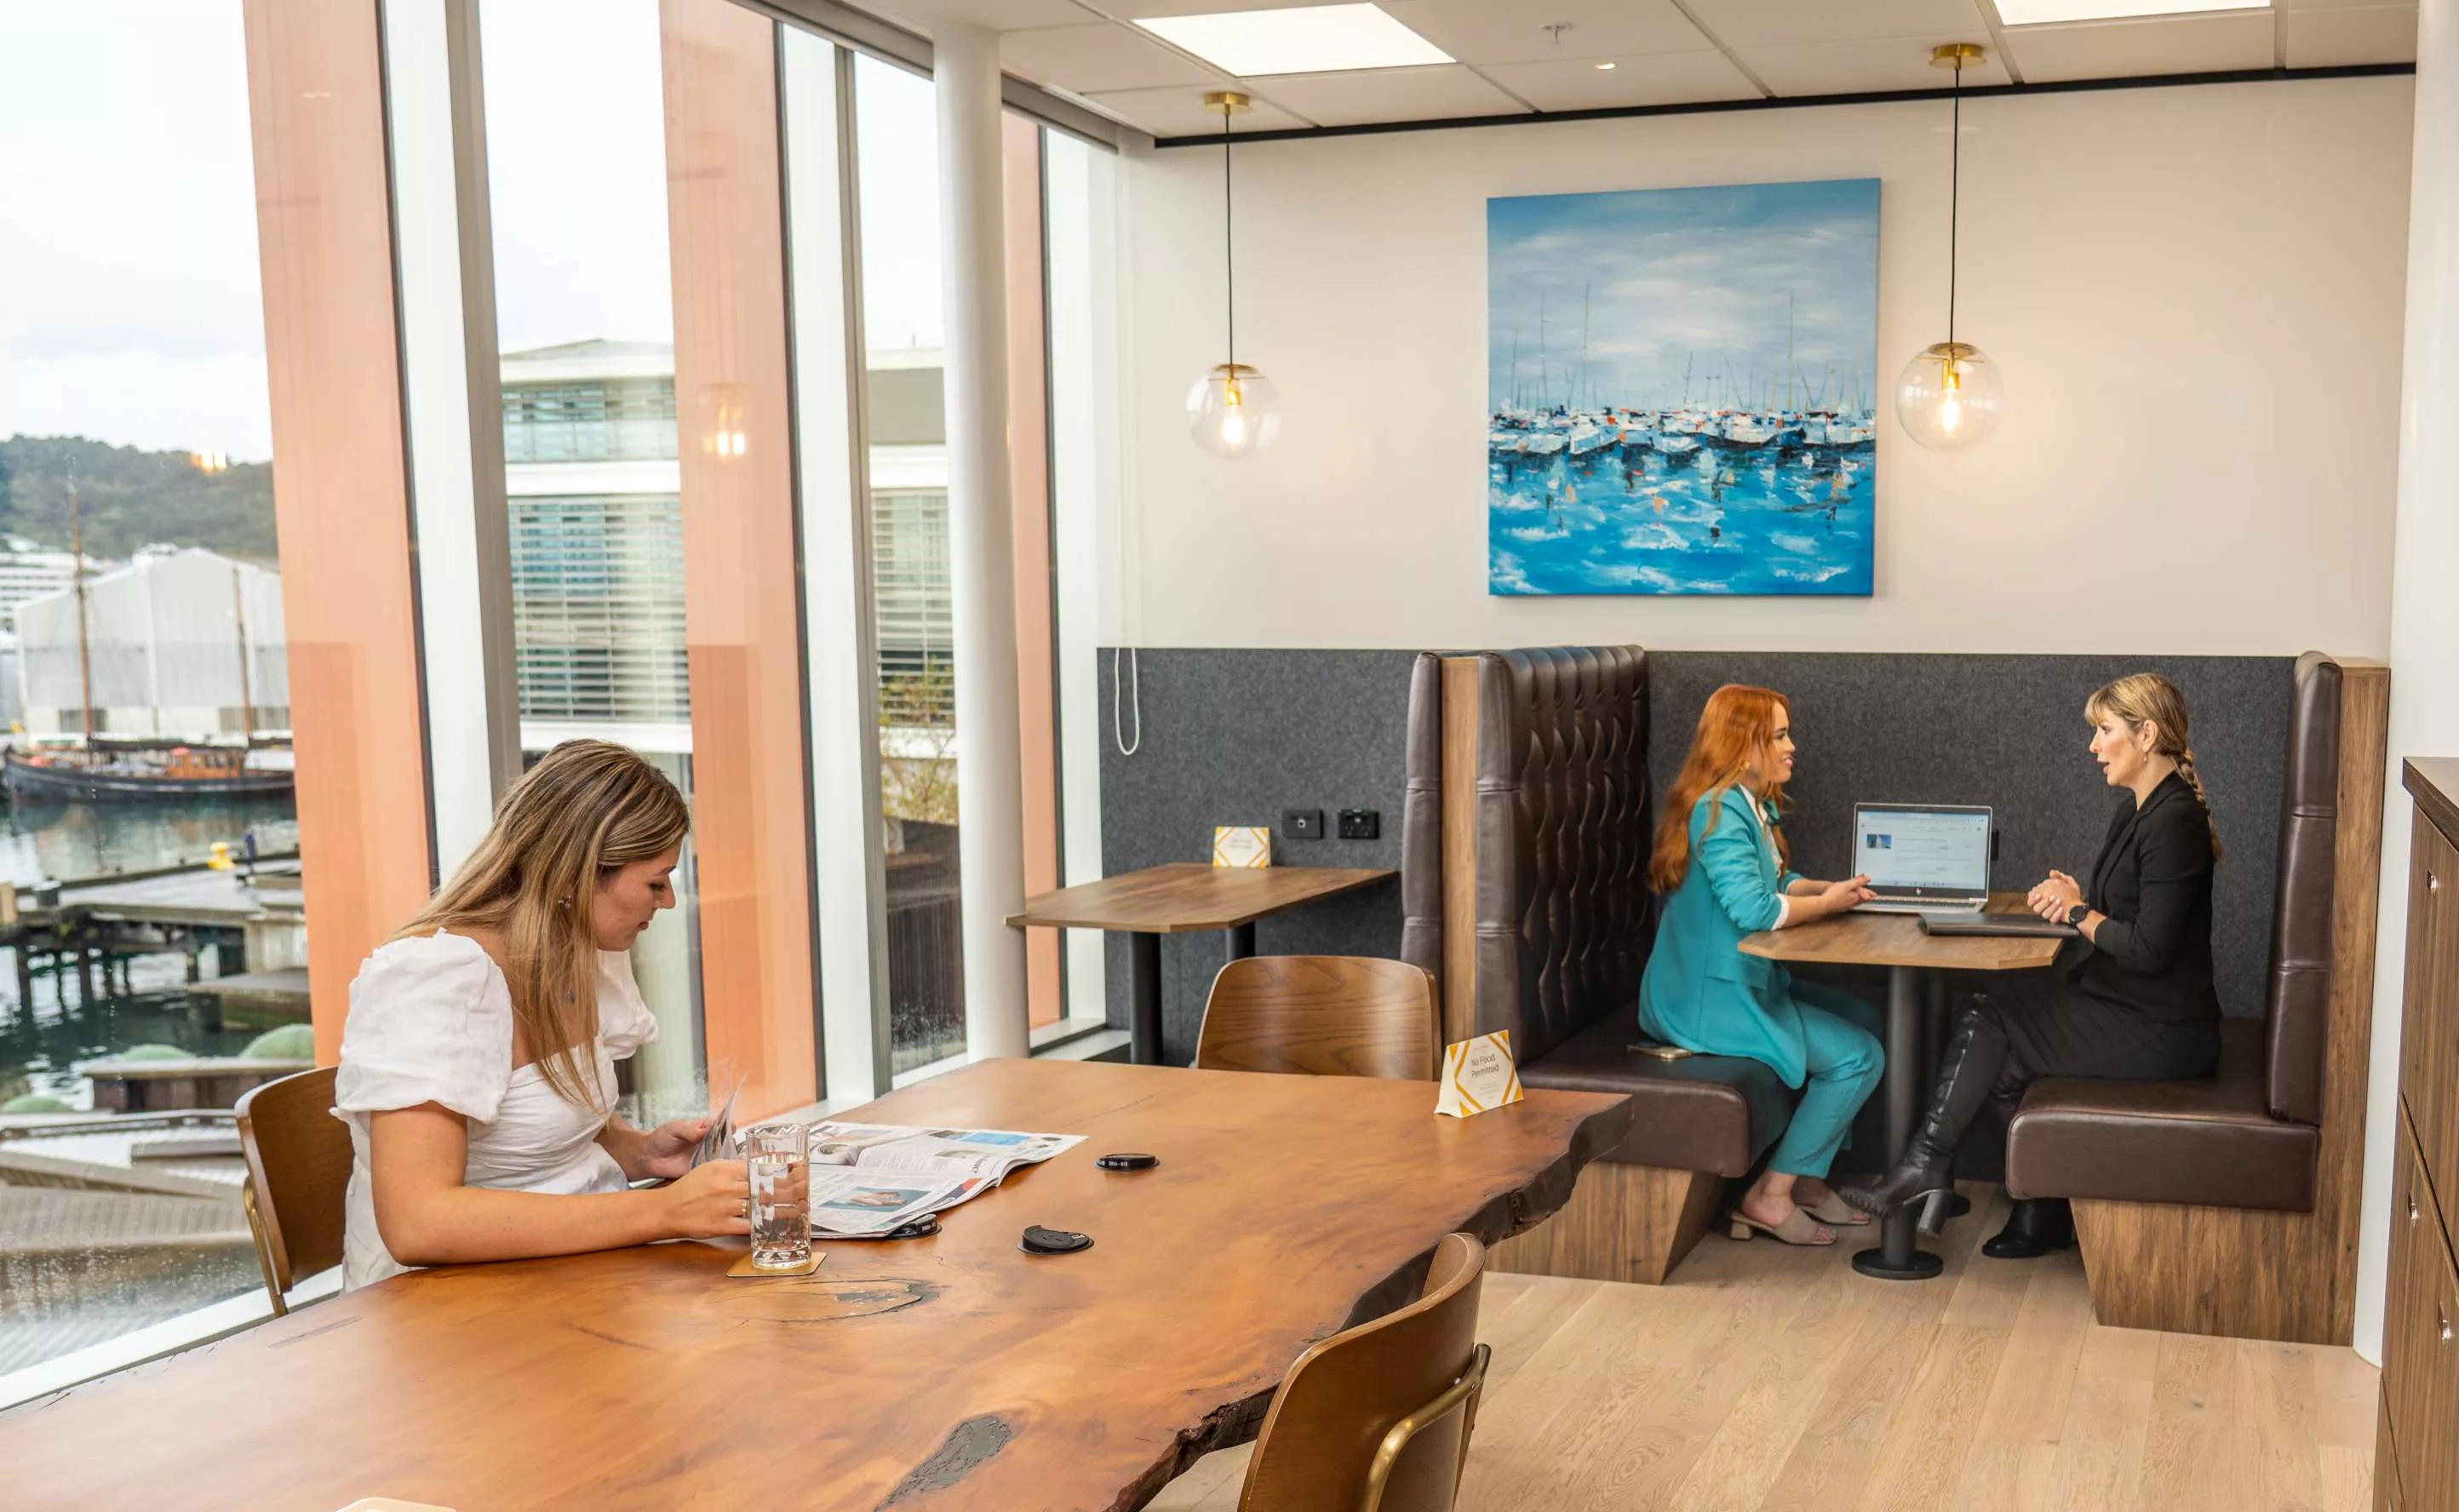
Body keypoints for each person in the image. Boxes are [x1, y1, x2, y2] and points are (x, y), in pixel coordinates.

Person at [332, 740, 750, 1289]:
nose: (667, 901)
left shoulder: (578, 954)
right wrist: (663, 1212)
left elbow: (540, 1140)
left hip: (575, 1279)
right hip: (439, 1317)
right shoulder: (437, 982)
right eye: (655, 881)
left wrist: (641, 1153)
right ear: (578, 874)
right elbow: (418, 1224)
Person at [1843, 673, 2225, 1257]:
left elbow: (2150, 950)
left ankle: (1932, 1168)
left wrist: (2077, 913)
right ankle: (2034, 1208)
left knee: (1991, 1018)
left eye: (2104, 731)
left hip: (2163, 1029)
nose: (2093, 746)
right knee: (1993, 1039)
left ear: (2147, 735)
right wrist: (2081, 901)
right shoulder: (2140, 811)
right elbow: (2131, 914)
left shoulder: (2175, 822)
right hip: (2127, 1004)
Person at [1640, 684, 1884, 1246]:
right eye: (1779, 736)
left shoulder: (1747, 801)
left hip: (1743, 981)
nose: (1792, 746)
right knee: (1857, 1057)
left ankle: (1807, 1181)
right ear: (1740, 745)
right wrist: (1827, 906)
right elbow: (1752, 909)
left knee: (1865, 1016)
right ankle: (1770, 1194)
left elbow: (1771, 882)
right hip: (1705, 999)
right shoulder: (1720, 808)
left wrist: (1827, 888)